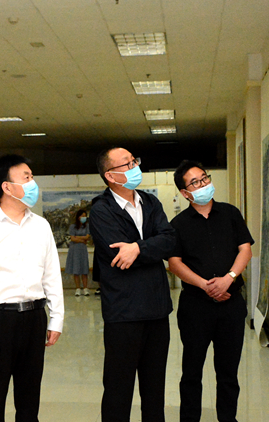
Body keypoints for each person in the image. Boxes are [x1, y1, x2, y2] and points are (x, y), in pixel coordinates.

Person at [0, 154, 64, 421]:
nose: (33, 183)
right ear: (6, 187)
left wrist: (57, 318)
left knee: (30, 399)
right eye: (26, 177)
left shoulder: (41, 226)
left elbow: (52, 275)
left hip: (34, 317)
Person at [89, 147, 176, 422]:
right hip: (123, 312)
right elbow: (118, 257)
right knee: (118, 388)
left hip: (157, 310)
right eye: (127, 164)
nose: (135, 166)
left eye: (134, 161)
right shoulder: (101, 210)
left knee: (155, 388)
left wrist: (137, 248)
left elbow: (169, 240)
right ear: (110, 175)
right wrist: (150, 248)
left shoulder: (150, 203)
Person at [168, 160, 253, 422]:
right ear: (185, 193)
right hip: (196, 307)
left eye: (204, 178)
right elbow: (174, 263)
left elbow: (245, 249)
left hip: (231, 305)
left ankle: (228, 418)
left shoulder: (230, 213)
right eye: (195, 182)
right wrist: (206, 286)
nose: (203, 184)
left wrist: (229, 278)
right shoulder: (178, 224)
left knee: (228, 372)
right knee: (191, 371)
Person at [66, 209, 91, 296]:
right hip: (74, 249)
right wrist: (82, 239)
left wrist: (78, 238)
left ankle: (85, 288)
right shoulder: (73, 226)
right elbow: (72, 238)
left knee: (84, 268)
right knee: (76, 269)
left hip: (83, 249)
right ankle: (78, 288)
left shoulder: (87, 226)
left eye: (85, 216)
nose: (83, 217)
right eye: (82, 216)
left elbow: (87, 237)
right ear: (78, 217)